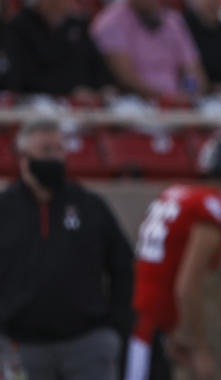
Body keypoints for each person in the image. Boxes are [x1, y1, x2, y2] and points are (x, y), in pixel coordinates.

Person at [124, 133, 221, 380]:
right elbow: (186, 287)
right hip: (147, 326)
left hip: (139, 317)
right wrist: (200, 349)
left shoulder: (177, 193)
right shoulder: (214, 207)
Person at [0, 119, 133, 380]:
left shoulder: (90, 206)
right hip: (19, 346)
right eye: (46, 150)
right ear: (24, 158)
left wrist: (117, 327)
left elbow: (123, 267)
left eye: (59, 150)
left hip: (87, 343)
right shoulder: (4, 210)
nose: (55, 157)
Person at [92, 0, 206, 103]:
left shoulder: (173, 20)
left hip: (176, 100)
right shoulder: (110, 22)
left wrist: (189, 93)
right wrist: (166, 98)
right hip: (135, 100)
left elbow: (191, 68)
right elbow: (126, 77)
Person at [5, 0, 112, 98]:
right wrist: (69, 91)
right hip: (38, 108)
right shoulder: (18, 28)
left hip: (86, 107)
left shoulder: (77, 26)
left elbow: (98, 67)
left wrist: (104, 87)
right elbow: (23, 78)